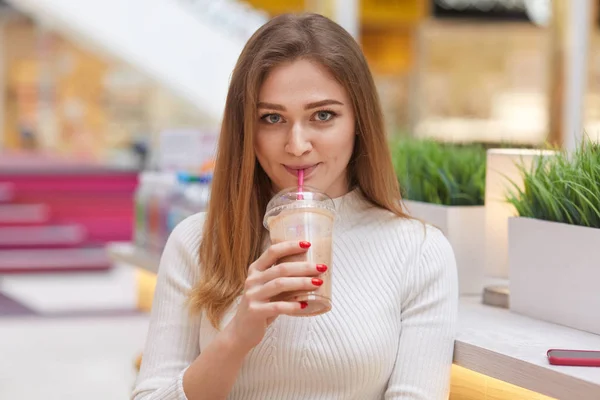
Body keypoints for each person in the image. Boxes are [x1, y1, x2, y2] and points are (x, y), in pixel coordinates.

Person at [132, 13, 458, 400]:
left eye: (323, 115)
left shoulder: (419, 251)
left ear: (359, 122)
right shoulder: (197, 241)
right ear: (246, 131)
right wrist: (237, 336)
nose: (297, 144)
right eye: (272, 118)